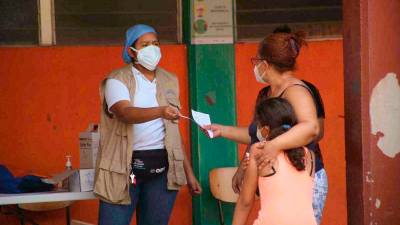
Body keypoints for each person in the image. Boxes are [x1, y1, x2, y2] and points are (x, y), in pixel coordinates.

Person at [204, 27, 328, 224]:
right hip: (273, 175)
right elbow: (259, 135)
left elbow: (311, 128)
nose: (256, 67)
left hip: (300, 176)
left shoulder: (296, 90)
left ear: (265, 63)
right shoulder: (267, 93)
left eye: (256, 61)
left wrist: (274, 145)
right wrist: (222, 130)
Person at [94, 24, 201, 225]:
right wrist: (160, 111)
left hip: (161, 172)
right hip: (123, 171)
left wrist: (189, 173)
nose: (152, 49)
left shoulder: (169, 80)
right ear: (131, 51)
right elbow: (124, 113)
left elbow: (173, 133)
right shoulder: (117, 80)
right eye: (145, 45)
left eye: (155, 43)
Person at [232, 97, 316, 225]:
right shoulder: (309, 155)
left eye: (258, 127)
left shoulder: (259, 150)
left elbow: (245, 202)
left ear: (265, 130)